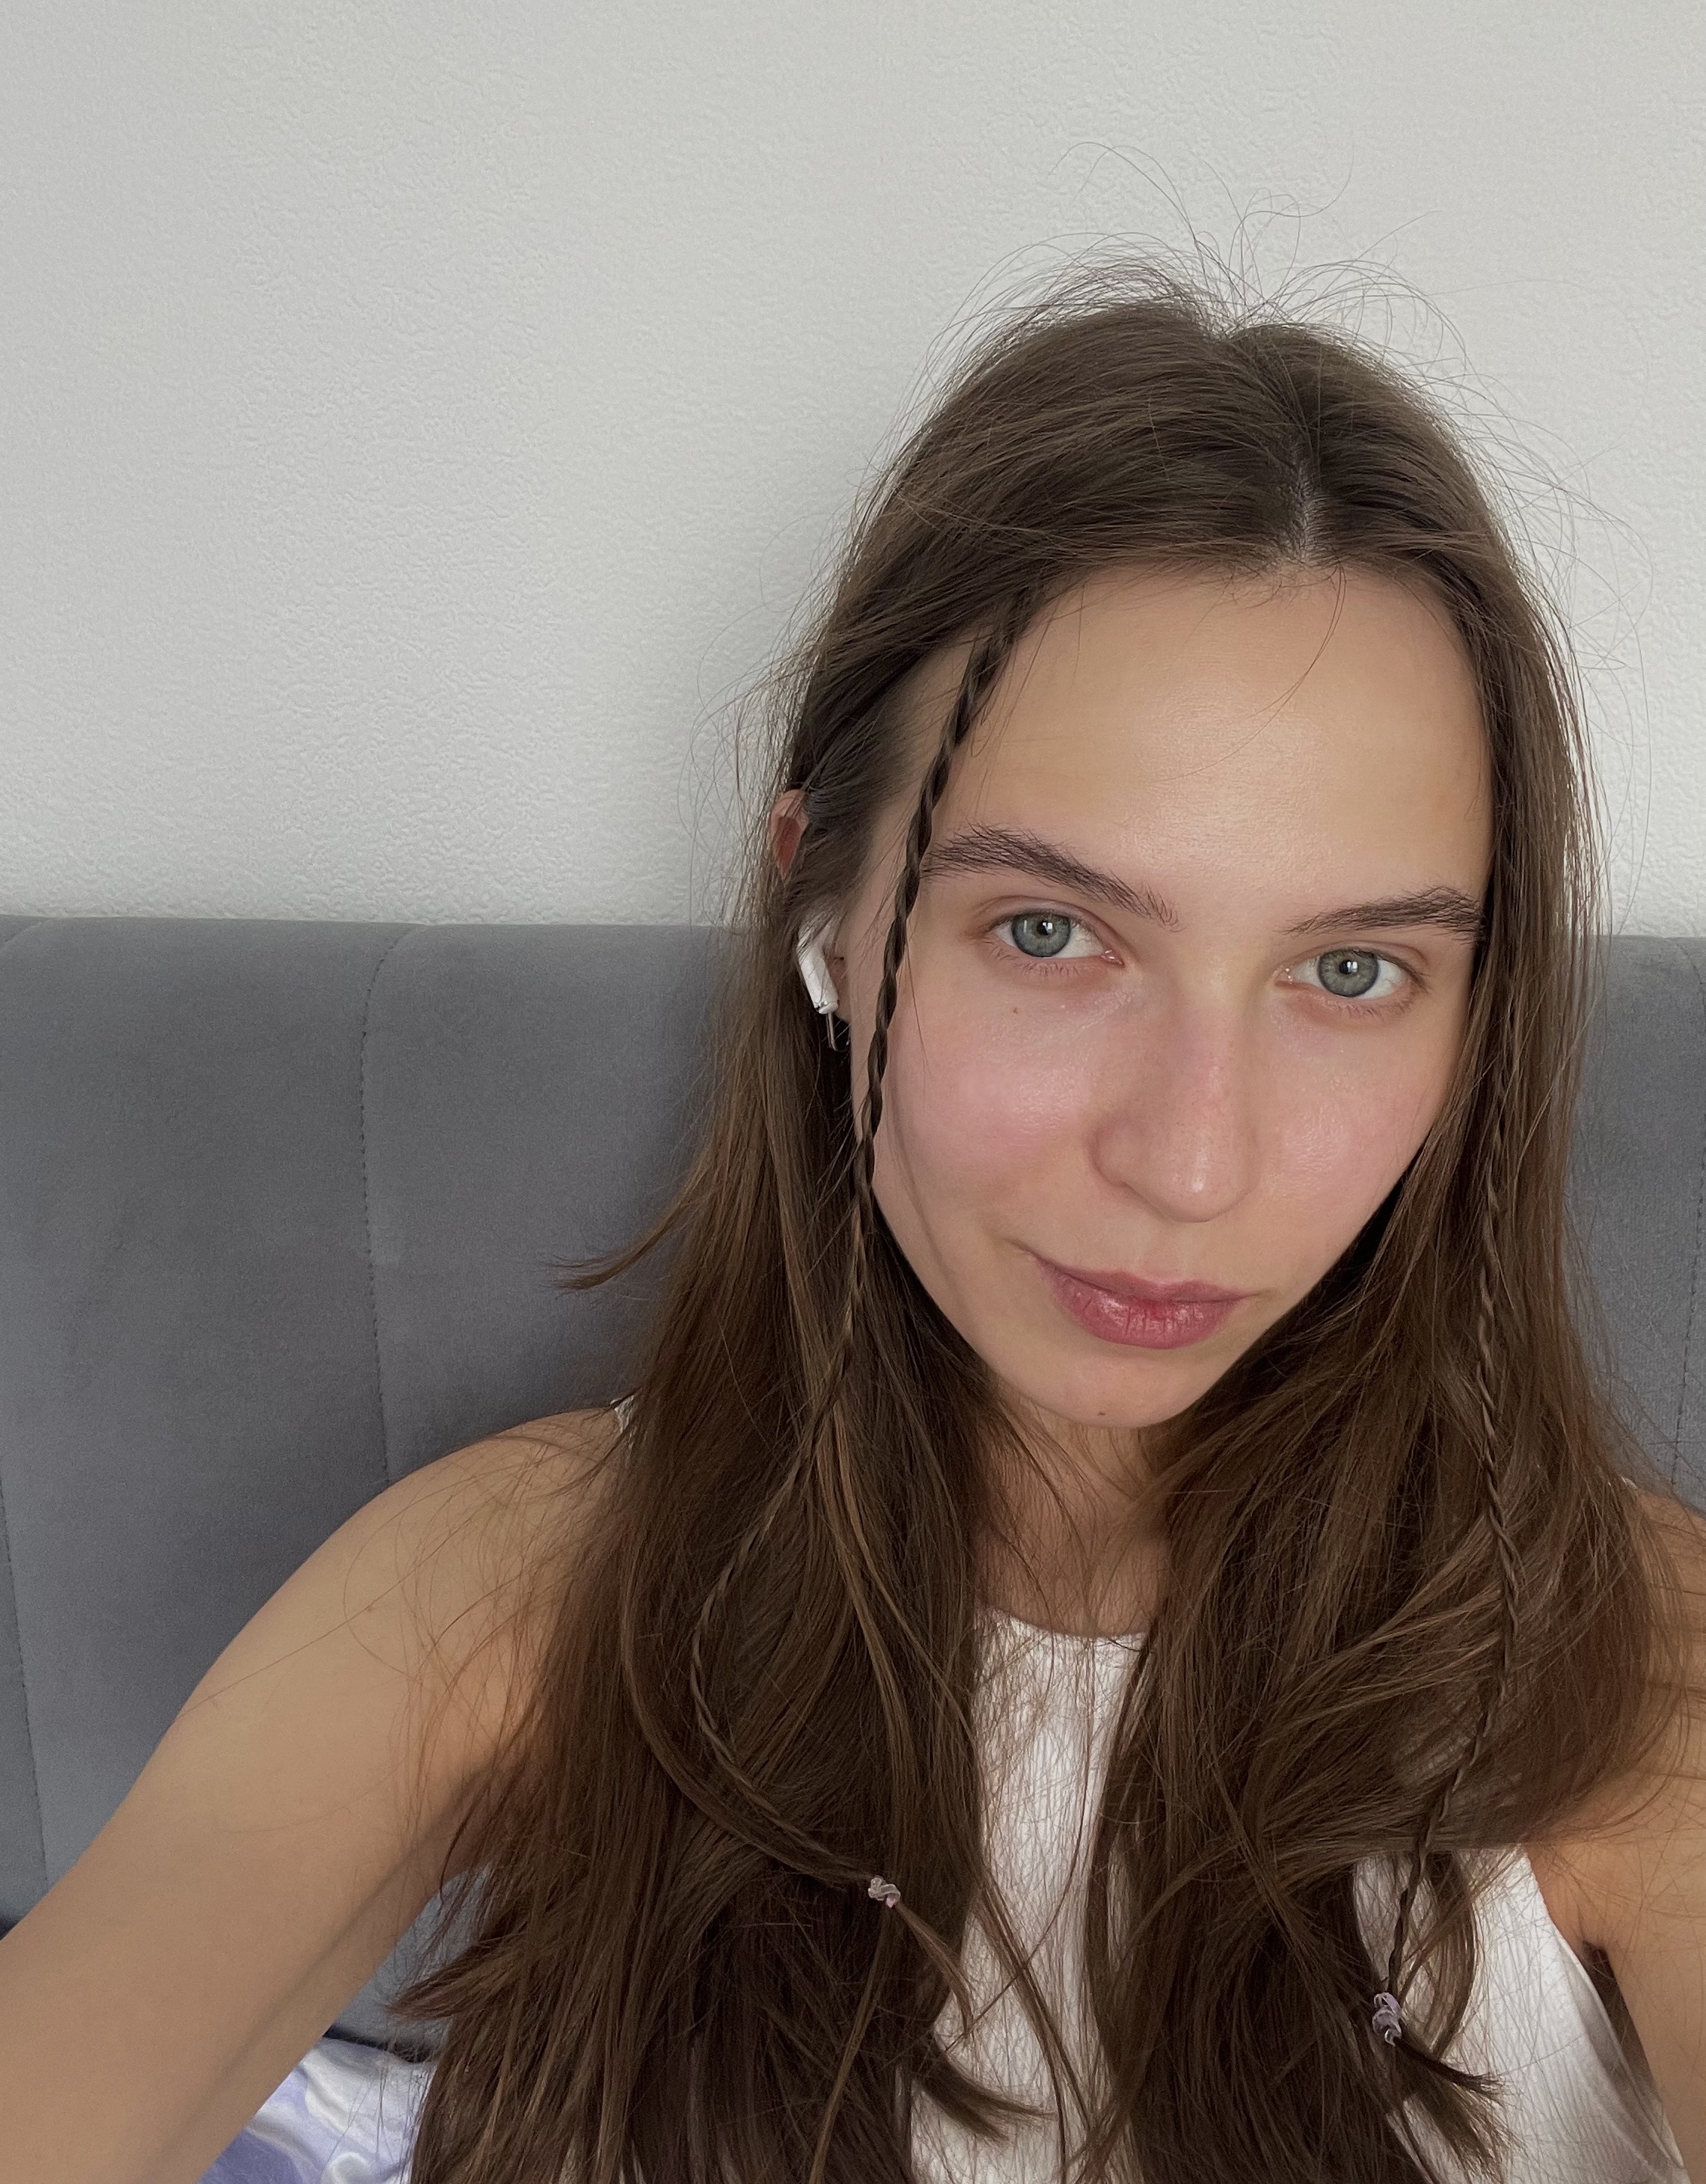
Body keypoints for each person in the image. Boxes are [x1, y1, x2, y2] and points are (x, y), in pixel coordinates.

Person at [3, 266, 1704, 2184]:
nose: (1191, 1162)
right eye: (1050, 932)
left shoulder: (1630, 1657)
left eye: (1354, 968)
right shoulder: (518, 1587)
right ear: (826, 907)